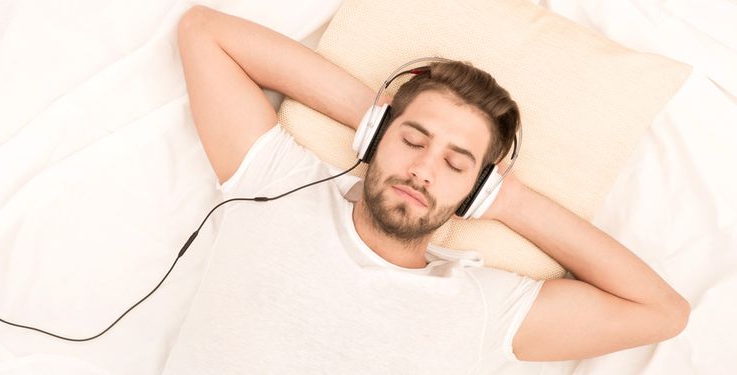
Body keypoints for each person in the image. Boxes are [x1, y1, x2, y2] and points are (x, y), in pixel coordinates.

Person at [166, 5, 690, 373]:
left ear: (476, 189)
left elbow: (661, 312)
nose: (423, 169)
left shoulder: (483, 303)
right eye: (413, 140)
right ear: (375, 138)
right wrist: (373, 119)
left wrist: (510, 202)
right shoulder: (278, 183)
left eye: (457, 164)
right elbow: (203, 31)